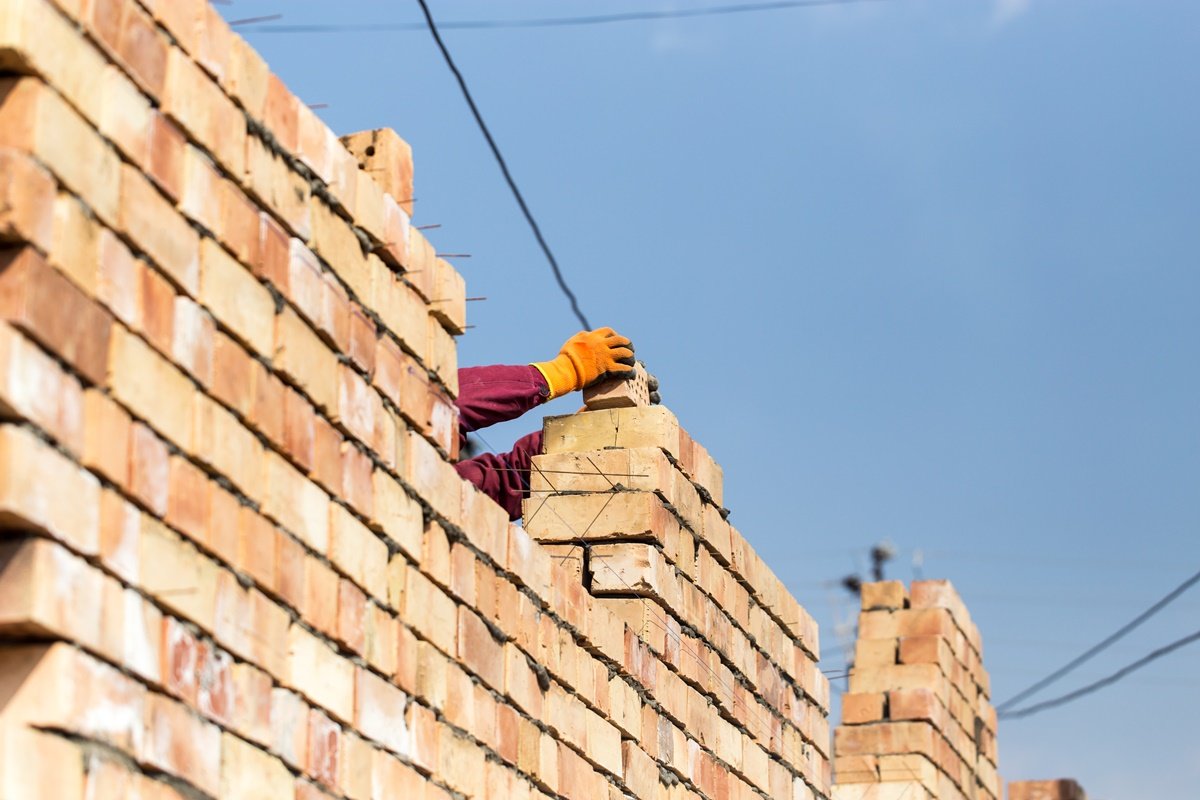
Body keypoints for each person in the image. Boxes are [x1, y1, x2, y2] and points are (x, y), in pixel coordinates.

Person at [454, 327, 635, 520]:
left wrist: (573, 437)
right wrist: (564, 371)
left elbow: (503, 483)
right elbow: (437, 397)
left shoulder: (440, 492)